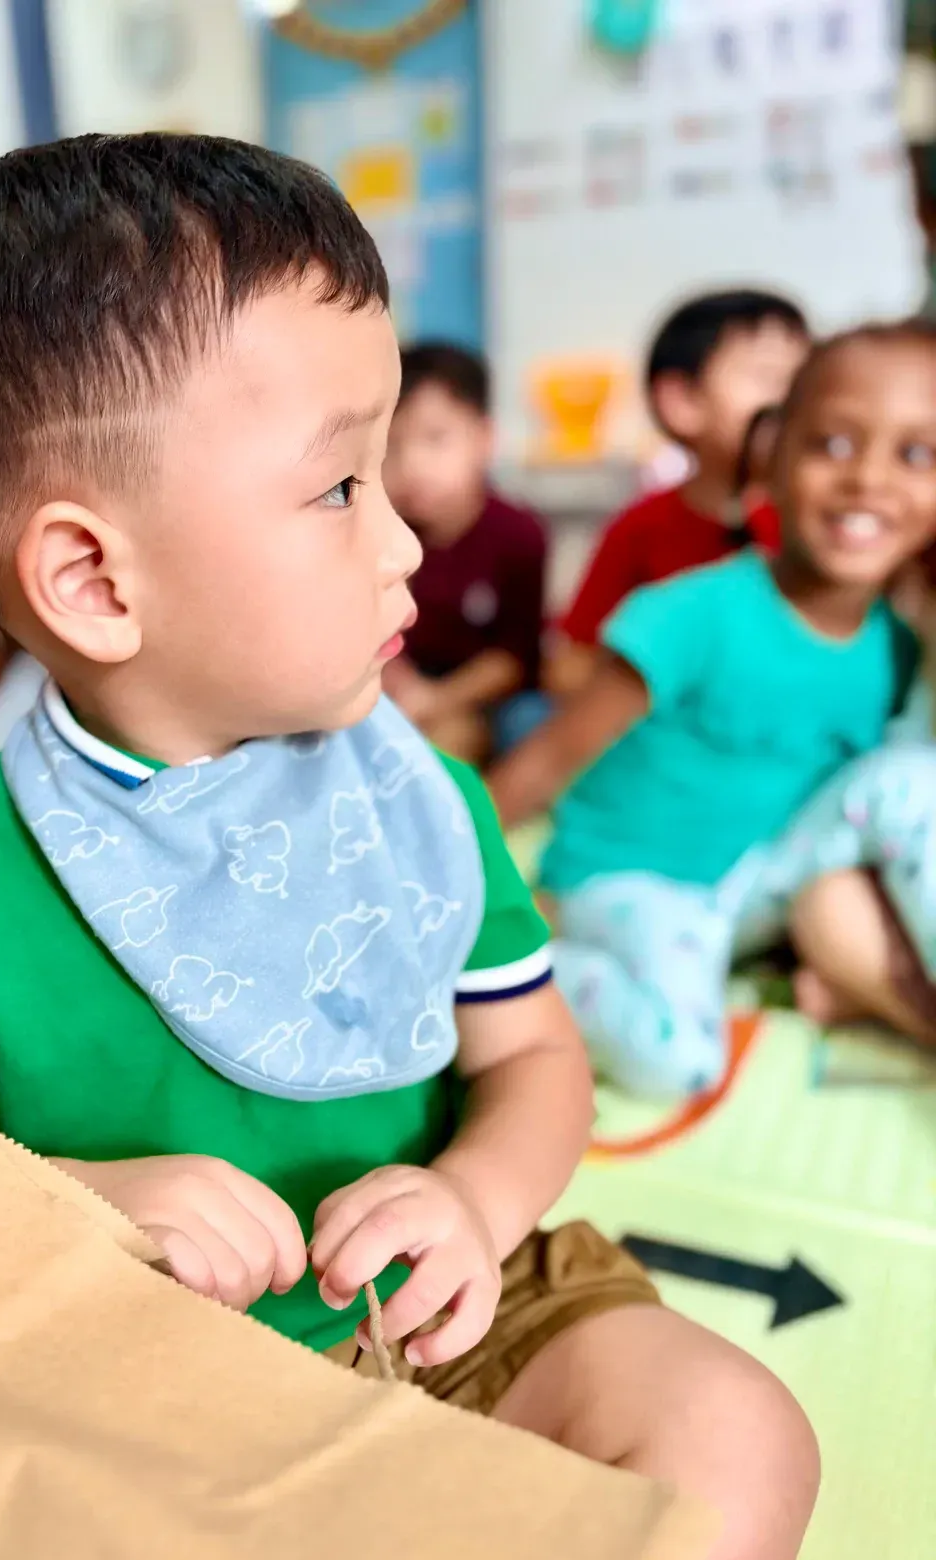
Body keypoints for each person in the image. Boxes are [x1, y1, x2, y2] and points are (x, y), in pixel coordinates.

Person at [0, 135, 817, 1560]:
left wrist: (474, 1202)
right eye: (339, 487)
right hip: (140, 1376)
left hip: (454, 1315)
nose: (404, 543)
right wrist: (74, 1207)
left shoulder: (417, 797)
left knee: (737, 1438)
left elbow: (535, 1057)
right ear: (94, 579)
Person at [492, 321, 936, 1099]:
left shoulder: (900, 646)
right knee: (681, 1065)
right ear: (770, 460)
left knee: (908, 780)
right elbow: (543, 762)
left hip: (760, 882)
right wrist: (460, 900)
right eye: (833, 444)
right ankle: (529, 969)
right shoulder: (693, 613)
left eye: (916, 455)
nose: (867, 478)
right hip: (637, 879)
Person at [549, 290, 809, 695]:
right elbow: (570, 665)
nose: (791, 401)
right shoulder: (640, 529)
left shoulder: (813, 524)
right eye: (768, 378)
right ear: (682, 401)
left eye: (804, 380)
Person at [381, 343, 548, 763]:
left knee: (513, 725)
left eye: (435, 439)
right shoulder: (381, 531)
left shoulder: (518, 534)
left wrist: (437, 700)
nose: (411, 463)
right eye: (390, 445)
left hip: (484, 693)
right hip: (400, 684)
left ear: (484, 439)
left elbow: (512, 659)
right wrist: (404, 688)